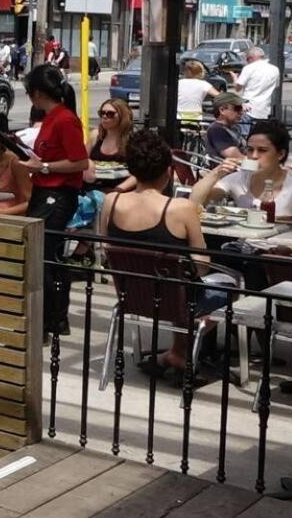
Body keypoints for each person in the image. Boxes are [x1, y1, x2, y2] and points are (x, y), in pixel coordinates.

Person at [98, 130, 228, 377]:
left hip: (131, 295)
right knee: (236, 287)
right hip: (176, 299)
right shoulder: (182, 208)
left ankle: (176, 353)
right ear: (168, 171)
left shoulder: (111, 201)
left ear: (132, 171)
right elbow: (202, 265)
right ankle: (184, 350)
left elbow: (107, 250)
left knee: (177, 283)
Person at [15, 64, 89, 336]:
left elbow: (80, 161)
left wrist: (45, 167)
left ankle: (50, 318)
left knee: (45, 255)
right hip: (45, 191)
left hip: (57, 194)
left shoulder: (64, 119)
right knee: (46, 255)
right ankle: (52, 316)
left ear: (36, 93)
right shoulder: (52, 118)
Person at [192, 120, 292, 218]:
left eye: (262, 150)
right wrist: (216, 173)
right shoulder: (240, 178)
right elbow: (194, 202)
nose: (254, 156)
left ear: (281, 154)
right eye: (250, 149)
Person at [87, 99, 135, 192]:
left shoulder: (133, 141)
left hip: (121, 194)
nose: (104, 116)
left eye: (110, 114)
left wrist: (117, 190)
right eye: (102, 113)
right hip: (93, 193)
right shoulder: (95, 136)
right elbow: (82, 162)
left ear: (122, 116)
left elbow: (139, 174)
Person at [235, 46, 281, 131]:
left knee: (245, 136)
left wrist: (235, 78)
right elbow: (276, 86)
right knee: (260, 136)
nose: (247, 61)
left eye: (247, 59)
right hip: (265, 109)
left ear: (251, 58)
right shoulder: (275, 69)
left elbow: (237, 88)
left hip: (248, 108)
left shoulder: (248, 68)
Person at [205, 92, 246, 161]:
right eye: (237, 108)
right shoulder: (216, 130)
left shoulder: (234, 127)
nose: (241, 112)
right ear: (222, 110)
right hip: (229, 170)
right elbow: (234, 156)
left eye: (241, 108)